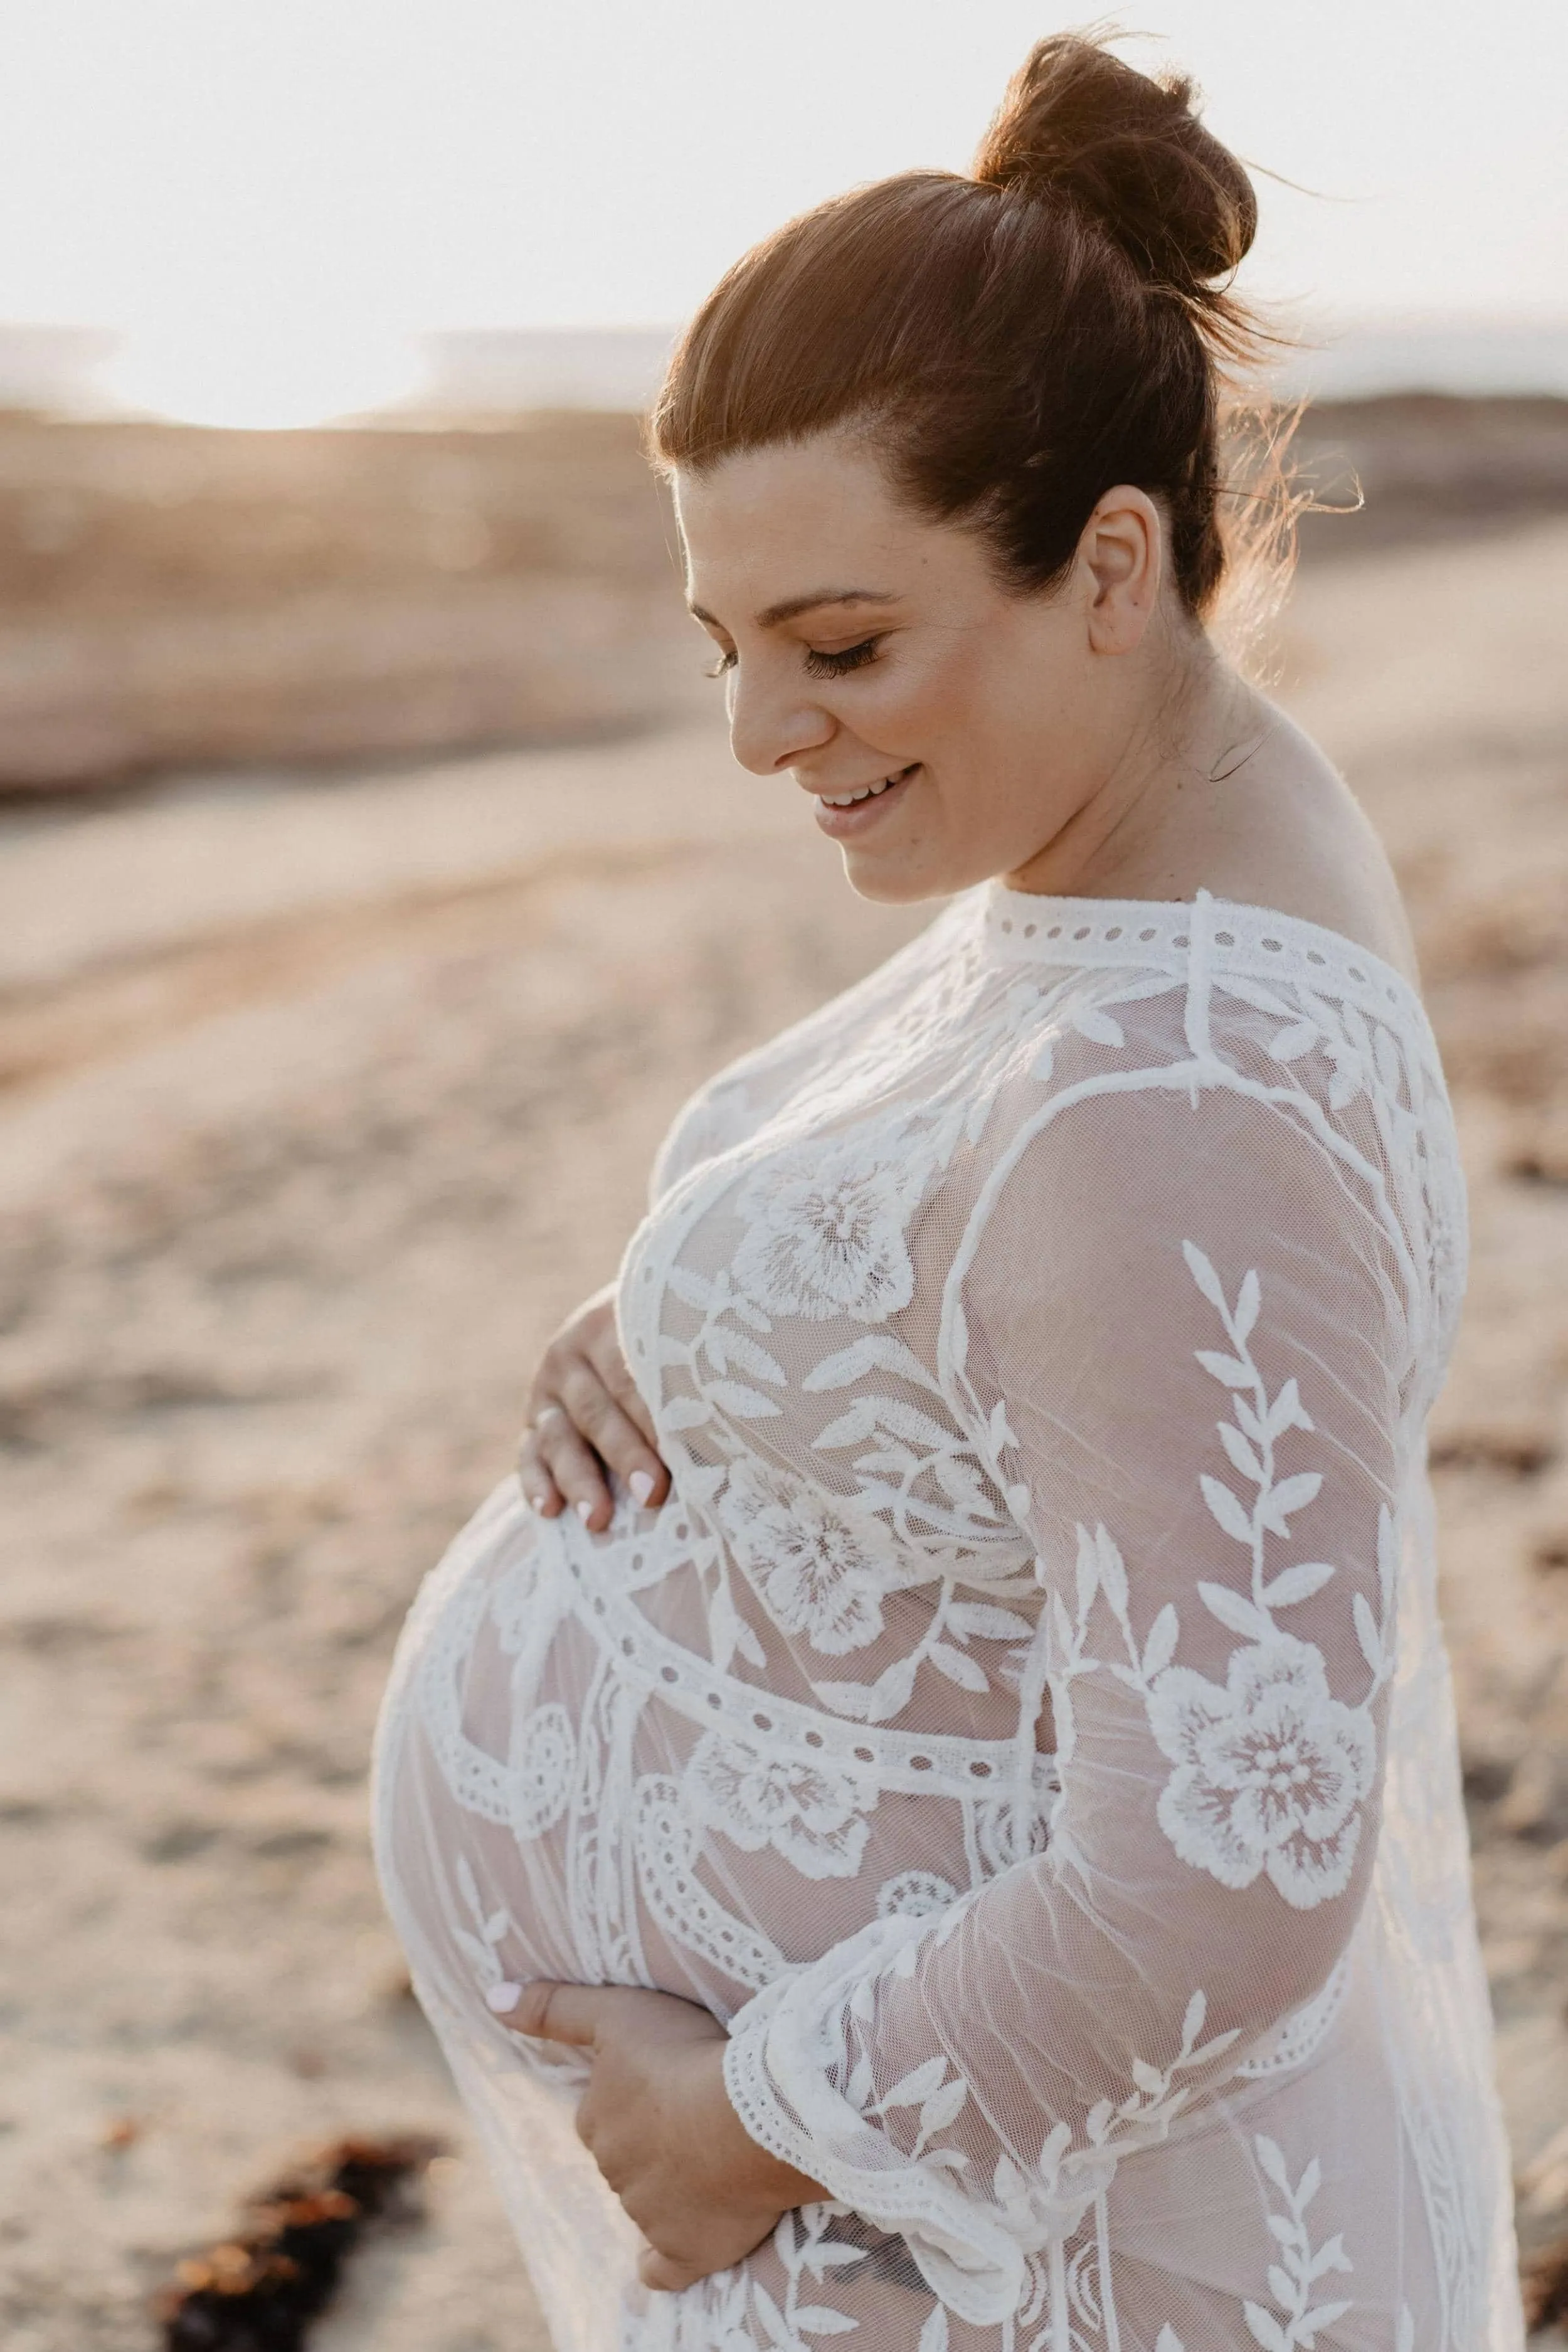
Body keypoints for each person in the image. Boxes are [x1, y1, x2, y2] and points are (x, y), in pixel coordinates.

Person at [371, 31, 1522, 2352]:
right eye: (731, 649)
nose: (759, 736)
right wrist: (707, 1309)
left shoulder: (1179, 1094)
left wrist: (750, 2114)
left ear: (1112, 563)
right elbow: (1006, 1229)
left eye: (841, 645)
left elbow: (1224, 1873)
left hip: (999, 2255)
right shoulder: (1163, 837)